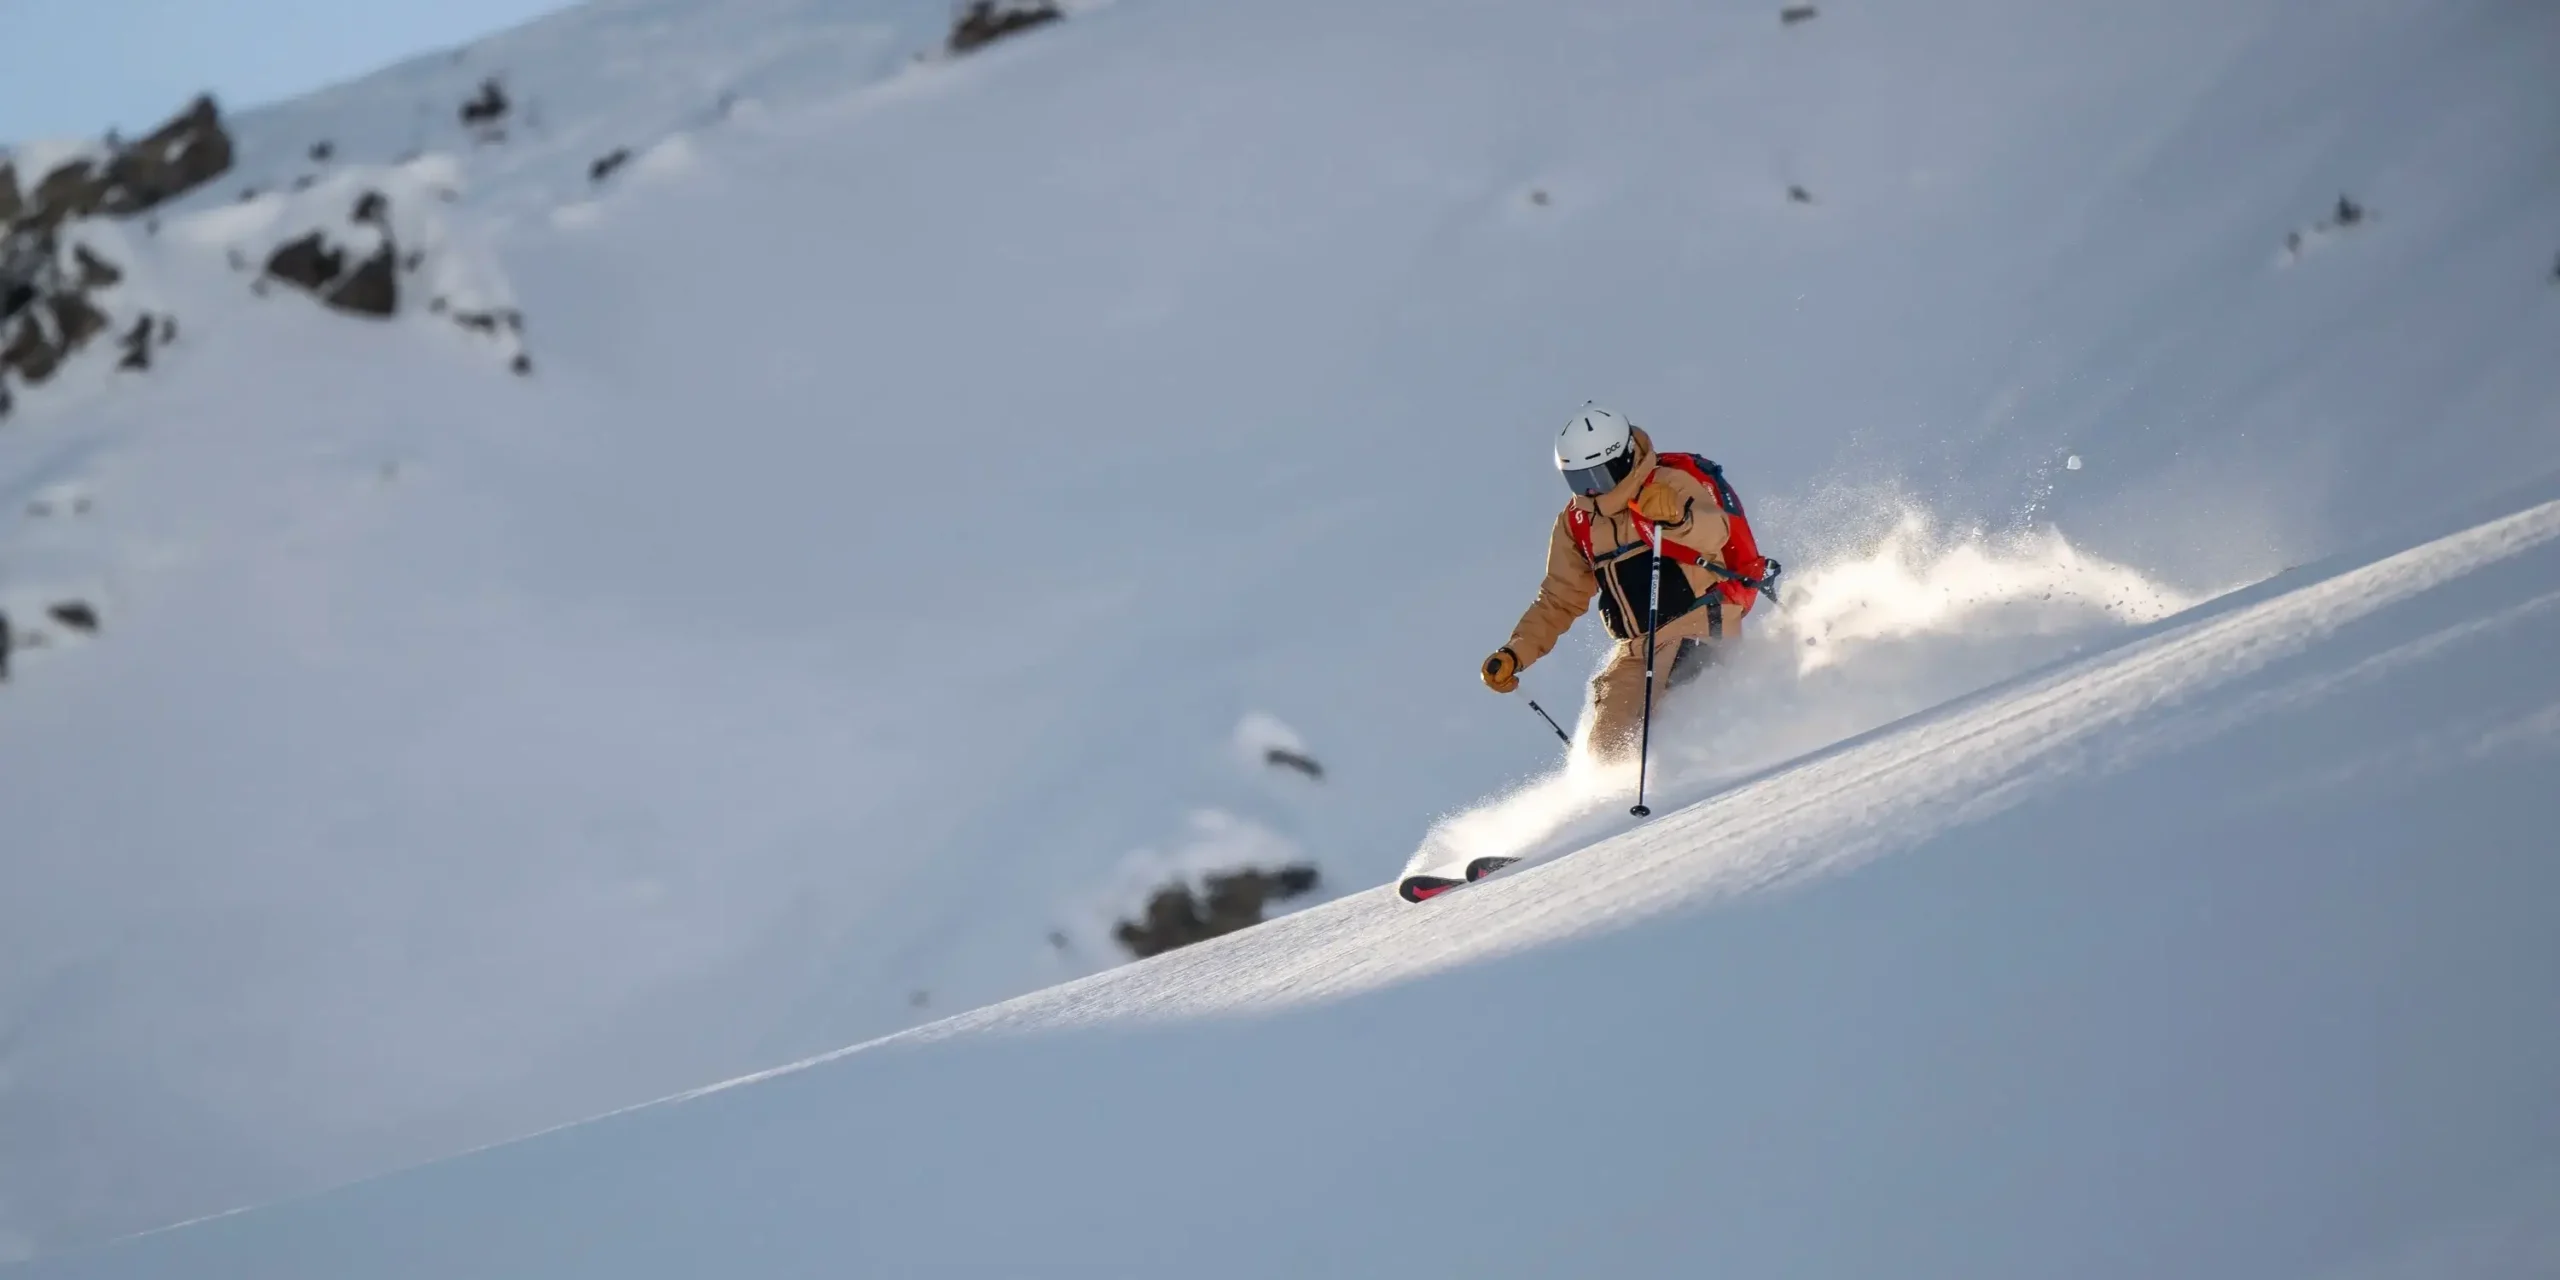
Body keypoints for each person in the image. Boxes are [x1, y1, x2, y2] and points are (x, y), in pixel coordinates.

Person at [1480, 406, 1749, 761]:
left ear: (1622, 460)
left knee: (1676, 718)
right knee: (1607, 750)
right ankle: (1621, 811)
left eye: (1599, 476)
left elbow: (1717, 534)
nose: (1591, 491)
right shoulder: (1576, 522)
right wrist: (1516, 652)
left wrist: (1679, 518)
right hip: (1637, 649)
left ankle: (1719, 782)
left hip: (1695, 624)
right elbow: (1560, 598)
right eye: (1579, 481)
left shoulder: (1666, 483)